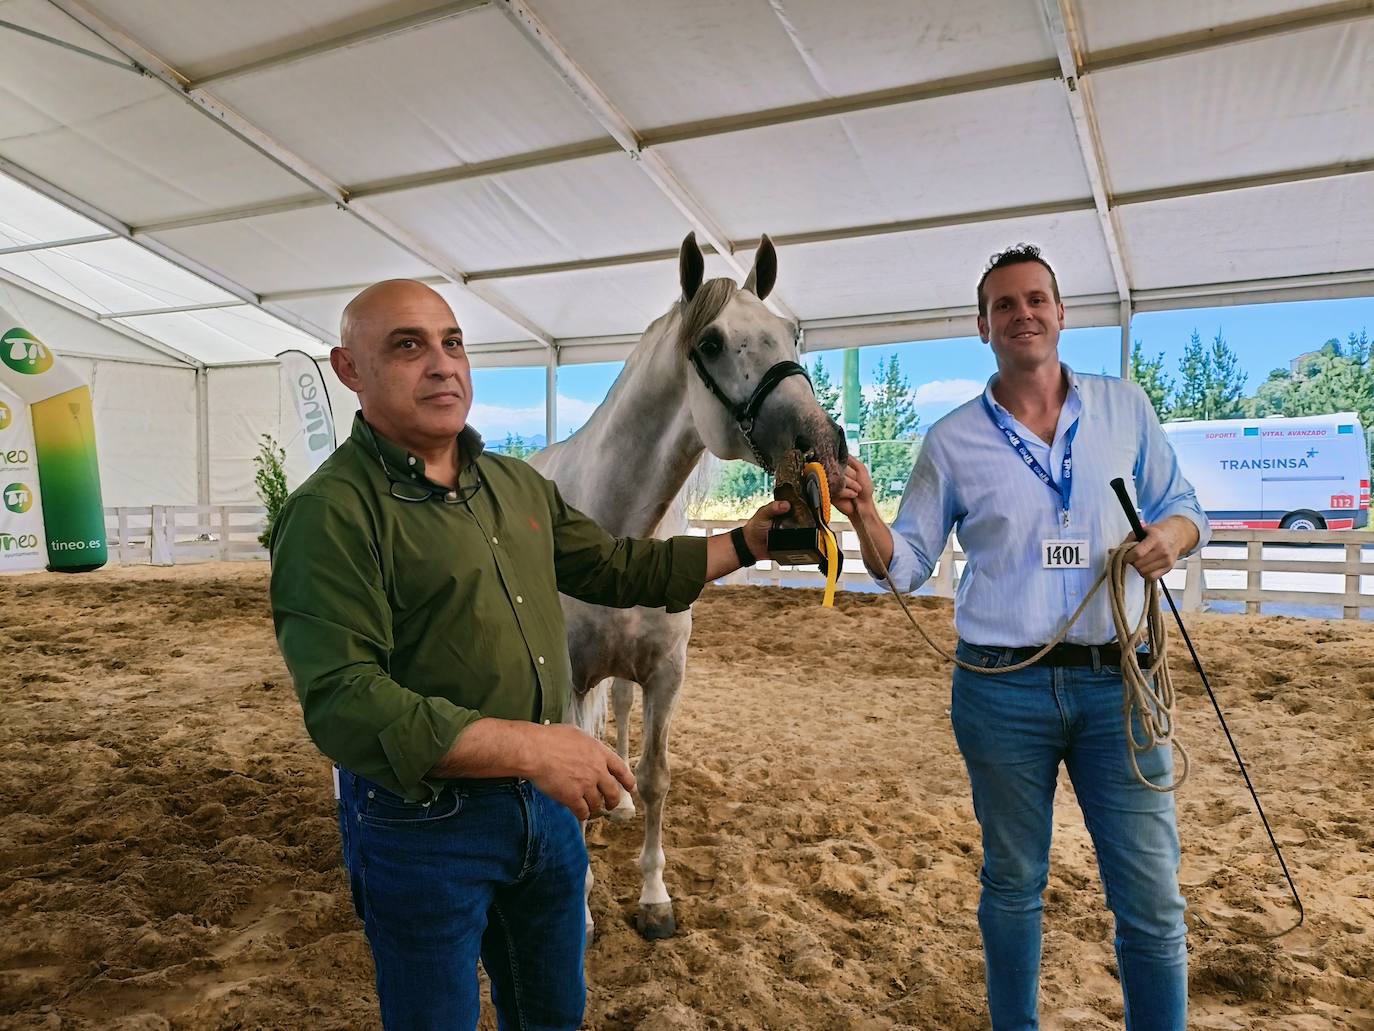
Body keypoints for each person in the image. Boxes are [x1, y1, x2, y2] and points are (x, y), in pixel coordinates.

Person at [268, 279, 786, 1031]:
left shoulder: (514, 485)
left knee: (551, 1015)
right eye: (407, 346)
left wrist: (746, 542)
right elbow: (345, 704)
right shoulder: (330, 513)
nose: (443, 365)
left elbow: (620, 567)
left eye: (452, 342)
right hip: (425, 828)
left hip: (545, 814)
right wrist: (538, 747)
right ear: (350, 370)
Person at [836, 244, 1209, 1031]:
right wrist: (863, 511)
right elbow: (905, 567)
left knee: (1150, 895)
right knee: (1012, 883)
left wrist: (1172, 536)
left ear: (1062, 313)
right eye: (1005, 305)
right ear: (983, 326)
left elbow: (1185, 504)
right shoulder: (950, 441)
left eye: (1036, 299)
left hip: (1121, 683)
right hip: (1001, 689)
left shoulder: (1126, 408)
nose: (1023, 313)